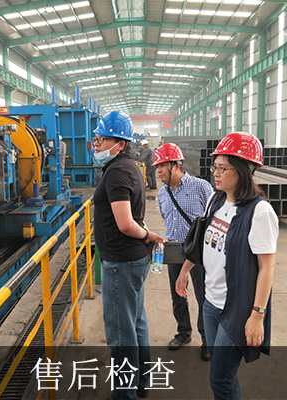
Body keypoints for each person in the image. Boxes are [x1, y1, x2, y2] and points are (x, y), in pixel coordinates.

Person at [176, 132, 278, 399]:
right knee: (221, 373)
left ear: (243, 171)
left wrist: (257, 316)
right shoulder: (217, 200)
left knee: (220, 378)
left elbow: (266, 268)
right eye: (215, 167)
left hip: (237, 308)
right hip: (211, 302)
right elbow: (203, 241)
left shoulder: (259, 212)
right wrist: (185, 269)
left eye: (223, 168)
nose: (216, 173)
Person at [93, 111, 164, 400]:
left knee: (121, 334)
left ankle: (124, 395)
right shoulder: (128, 166)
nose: (96, 144)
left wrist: (148, 235)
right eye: (96, 139)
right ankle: (141, 381)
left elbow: (125, 224)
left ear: (120, 144)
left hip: (120, 263)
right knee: (136, 321)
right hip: (131, 260)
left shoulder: (117, 172)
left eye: (102, 139)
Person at [154, 143, 213, 361]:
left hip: (198, 252)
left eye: (162, 166)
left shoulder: (201, 187)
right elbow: (166, 219)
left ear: (176, 165)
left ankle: (207, 339)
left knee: (203, 296)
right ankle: (184, 332)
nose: (158, 171)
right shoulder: (162, 193)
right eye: (157, 167)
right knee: (178, 294)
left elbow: (212, 219)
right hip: (174, 249)